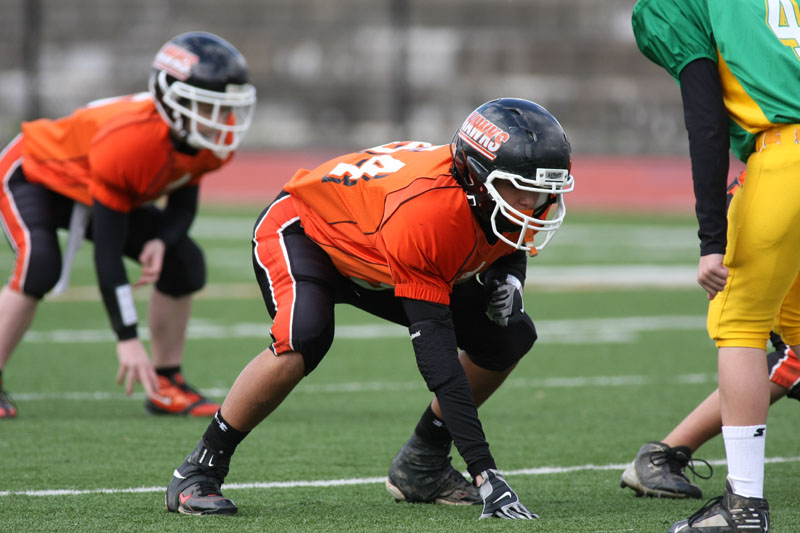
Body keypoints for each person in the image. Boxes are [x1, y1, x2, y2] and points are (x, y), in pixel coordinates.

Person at [163, 97, 574, 520]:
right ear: (475, 176)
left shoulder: (488, 196)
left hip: (375, 250)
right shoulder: (426, 215)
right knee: (304, 338)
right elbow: (439, 364)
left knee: (508, 335)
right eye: (522, 188)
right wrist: (486, 474)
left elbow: (508, 236)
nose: (534, 203)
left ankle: (422, 466)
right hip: (307, 233)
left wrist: (510, 279)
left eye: (546, 190)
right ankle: (199, 469)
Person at [0, 31, 257, 419]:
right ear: (174, 100)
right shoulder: (130, 142)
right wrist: (126, 338)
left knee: (182, 262)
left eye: (225, 108)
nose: (220, 120)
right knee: (40, 264)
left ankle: (167, 384)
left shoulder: (206, 137)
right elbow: (108, 251)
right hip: (35, 173)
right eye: (209, 107)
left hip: (92, 183)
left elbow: (184, 199)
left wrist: (162, 240)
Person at [632, 0, 800, 531]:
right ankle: (670, 452)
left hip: (785, 154)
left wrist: (712, 239)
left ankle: (744, 505)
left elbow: (705, 123)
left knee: (741, 325)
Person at [620, 175, 800, 500]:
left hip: (774, 197)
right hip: (773, 205)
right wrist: (712, 245)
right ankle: (668, 455)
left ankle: (666, 455)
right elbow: (707, 142)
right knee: (790, 357)